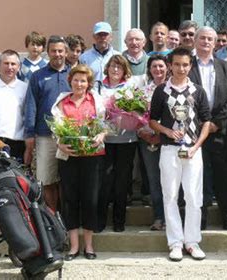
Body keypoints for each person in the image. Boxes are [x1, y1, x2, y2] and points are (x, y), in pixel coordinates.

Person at [149, 47, 211, 261]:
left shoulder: (198, 91)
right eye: (177, 64)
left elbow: (207, 121)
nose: (181, 68)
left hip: (193, 151)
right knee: (171, 196)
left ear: (190, 66)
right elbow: (152, 120)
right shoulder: (161, 91)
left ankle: (192, 242)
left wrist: (196, 146)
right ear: (170, 65)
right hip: (169, 150)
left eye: (185, 65)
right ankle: (175, 242)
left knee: (194, 196)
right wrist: (167, 131)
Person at [188, 26, 227, 233]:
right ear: (195, 41)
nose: (206, 42)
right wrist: (201, 123)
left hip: (219, 130)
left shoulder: (225, 66)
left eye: (210, 39)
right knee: (196, 176)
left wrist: (216, 123)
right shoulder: (187, 65)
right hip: (194, 130)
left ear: (215, 43)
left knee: (224, 175)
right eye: (202, 38)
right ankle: (198, 221)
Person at [51, 64, 106, 261]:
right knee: (70, 200)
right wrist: (61, 144)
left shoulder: (96, 100)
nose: (79, 84)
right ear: (70, 81)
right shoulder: (62, 102)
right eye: (76, 80)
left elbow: (103, 125)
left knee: (90, 200)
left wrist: (100, 135)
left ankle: (89, 246)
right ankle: (74, 246)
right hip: (70, 157)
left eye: (83, 80)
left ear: (89, 83)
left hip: (92, 157)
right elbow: (56, 129)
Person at [95, 54, 143, 232]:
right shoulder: (98, 86)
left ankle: (119, 221)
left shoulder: (131, 86)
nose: (115, 70)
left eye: (119, 67)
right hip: (105, 139)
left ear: (124, 70)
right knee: (104, 181)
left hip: (127, 139)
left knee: (122, 181)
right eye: (112, 66)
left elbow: (140, 110)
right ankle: (100, 221)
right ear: (107, 68)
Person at [24, 35, 71, 211]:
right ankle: (52, 217)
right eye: (53, 51)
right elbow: (31, 106)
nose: (57, 54)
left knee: (68, 180)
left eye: (60, 50)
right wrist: (29, 134)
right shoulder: (38, 76)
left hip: (69, 136)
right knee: (47, 179)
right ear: (48, 52)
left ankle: (68, 217)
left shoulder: (75, 74)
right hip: (45, 136)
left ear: (66, 52)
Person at [137, 55, 168, 231]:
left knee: (172, 180)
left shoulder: (174, 89)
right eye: (154, 66)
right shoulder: (143, 92)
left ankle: (172, 218)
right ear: (149, 69)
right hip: (149, 142)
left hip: (170, 141)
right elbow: (137, 119)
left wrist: (162, 135)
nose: (158, 70)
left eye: (161, 66)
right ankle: (158, 217)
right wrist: (144, 133)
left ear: (167, 68)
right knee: (154, 180)